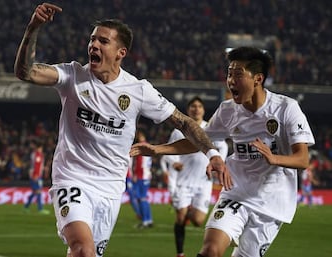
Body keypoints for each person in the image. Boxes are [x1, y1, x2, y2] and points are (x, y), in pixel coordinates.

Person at [14, 3, 231, 257]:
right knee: (83, 249)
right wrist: (32, 29)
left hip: (111, 188)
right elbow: (26, 72)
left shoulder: (138, 90)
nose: (93, 45)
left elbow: (183, 122)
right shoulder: (72, 76)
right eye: (92, 39)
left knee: (88, 253)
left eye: (103, 41)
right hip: (72, 179)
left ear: (120, 52)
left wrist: (213, 155)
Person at [130, 46, 315, 257]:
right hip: (235, 192)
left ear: (258, 78)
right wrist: (158, 149)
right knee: (210, 250)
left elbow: (302, 159)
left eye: (238, 74)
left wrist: (274, 158)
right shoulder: (228, 110)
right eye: (229, 73)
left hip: (271, 202)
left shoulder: (286, 108)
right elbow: (199, 141)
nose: (231, 80)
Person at [165, 97, 228, 257]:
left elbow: (222, 146)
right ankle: (180, 253)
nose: (196, 109)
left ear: (203, 110)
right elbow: (169, 150)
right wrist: (174, 163)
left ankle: (189, 209)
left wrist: (219, 161)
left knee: (198, 220)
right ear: (188, 110)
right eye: (193, 106)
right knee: (180, 217)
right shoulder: (179, 130)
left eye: (199, 106)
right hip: (184, 181)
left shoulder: (210, 128)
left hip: (204, 182)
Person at [131, 130, 154, 228]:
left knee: (141, 198)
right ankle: (149, 220)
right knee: (143, 198)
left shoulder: (141, 147)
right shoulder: (148, 146)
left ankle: (145, 221)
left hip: (142, 176)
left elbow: (140, 163)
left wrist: (136, 174)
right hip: (146, 175)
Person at [24, 142, 50, 214]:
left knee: (35, 192)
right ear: (40, 147)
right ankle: (40, 209)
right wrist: (36, 175)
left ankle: (26, 207)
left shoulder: (34, 154)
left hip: (36, 175)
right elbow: (37, 165)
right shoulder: (38, 155)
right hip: (36, 176)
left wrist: (43, 169)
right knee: (38, 192)